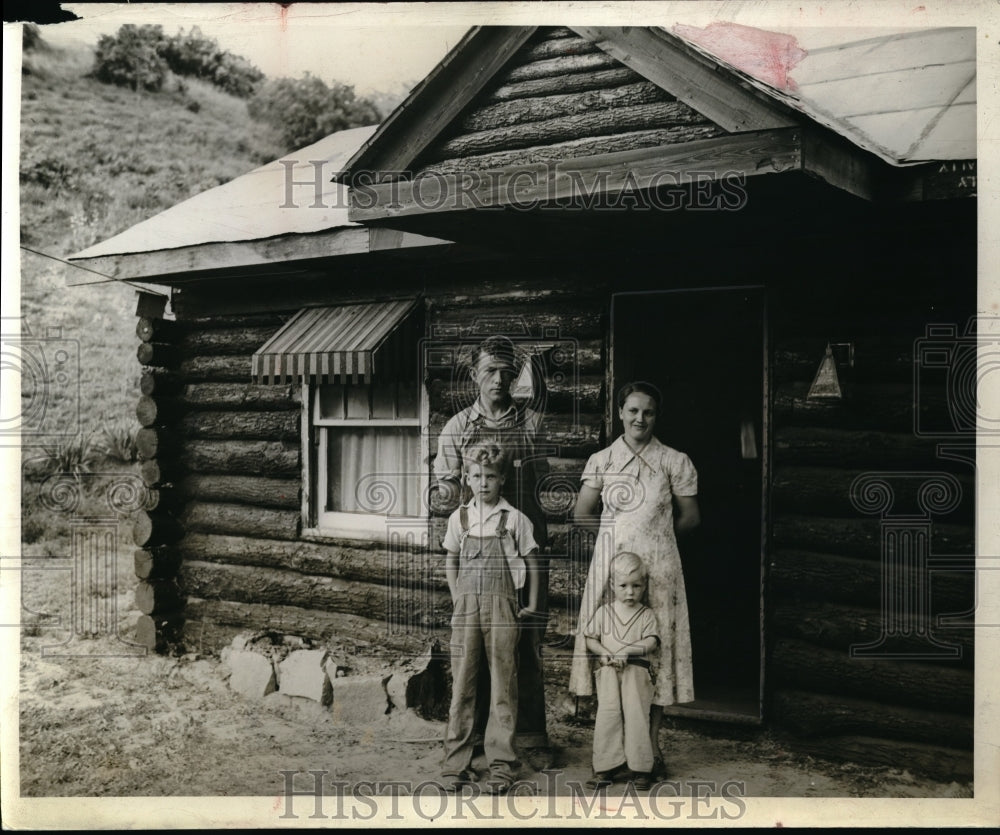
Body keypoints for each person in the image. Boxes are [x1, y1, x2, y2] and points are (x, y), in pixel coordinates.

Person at [570, 381, 700, 779]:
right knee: (612, 653)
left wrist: (655, 541)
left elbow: (690, 518)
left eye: (648, 412)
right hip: (612, 570)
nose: (640, 418)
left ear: (656, 416)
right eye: (632, 411)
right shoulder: (603, 460)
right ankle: (612, 754)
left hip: (659, 572)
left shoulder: (674, 461)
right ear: (620, 413)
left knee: (653, 658)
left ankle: (650, 750)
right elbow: (582, 513)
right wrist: (616, 538)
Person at [434, 335, 552, 765]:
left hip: (526, 547)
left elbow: (542, 487)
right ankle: (477, 744)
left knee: (527, 646)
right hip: (479, 557)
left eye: (506, 371)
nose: (498, 380)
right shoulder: (456, 428)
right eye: (489, 371)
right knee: (475, 653)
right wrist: (447, 488)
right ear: (473, 376)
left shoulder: (533, 423)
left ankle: (531, 741)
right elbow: (445, 492)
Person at [441, 440, 542, 795]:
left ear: (502, 479)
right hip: (466, 610)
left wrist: (529, 603)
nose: (483, 483)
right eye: (477, 476)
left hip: (503, 609)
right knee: (463, 685)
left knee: (503, 685)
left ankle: (502, 764)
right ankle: (456, 763)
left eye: (491, 476)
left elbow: (531, 562)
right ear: (467, 478)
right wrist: (457, 597)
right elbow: (451, 559)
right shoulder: (460, 518)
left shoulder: (514, 519)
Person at [584, 552, 660, 791]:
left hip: (635, 674)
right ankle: (605, 766)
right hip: (608, 672)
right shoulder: (604, 613)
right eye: (624, 586)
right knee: (608, 716)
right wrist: (603, 652)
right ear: (612, 585)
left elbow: (652, 641)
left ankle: (640, 768)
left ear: (644, 585)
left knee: (637, 716)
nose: (630, 592)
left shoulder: (646, 614)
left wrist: (628, 650)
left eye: (636, 586)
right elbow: (590, 638)